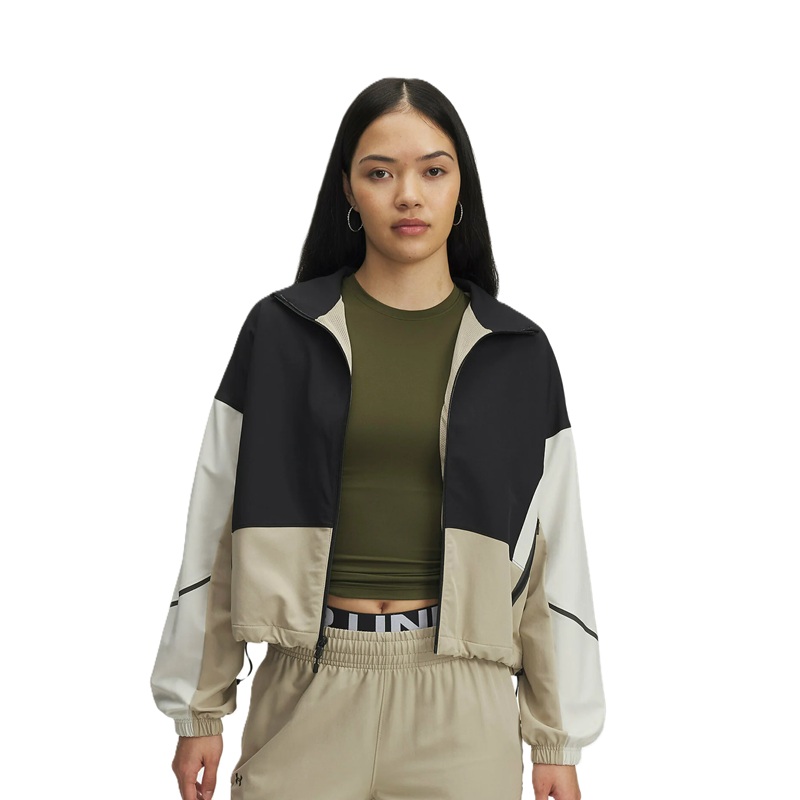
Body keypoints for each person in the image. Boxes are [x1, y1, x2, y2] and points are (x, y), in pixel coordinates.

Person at [151, 77, 605, 800]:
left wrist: (557, 737)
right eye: (381, 173)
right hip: (306, 689)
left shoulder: (516, 353)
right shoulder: (282, 334)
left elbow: (554, 551)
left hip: (462, 706)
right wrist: (198, 709)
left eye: (433, 171)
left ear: (461, 187)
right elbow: (216, 523)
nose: (409, 196)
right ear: (349, 190)